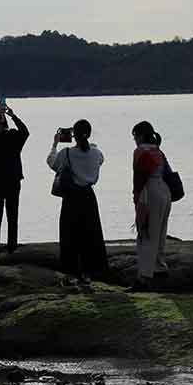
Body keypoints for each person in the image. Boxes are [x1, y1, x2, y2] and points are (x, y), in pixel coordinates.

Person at [47, 119, 108, 284]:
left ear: (73, 135)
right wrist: (93, 146)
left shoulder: (66, 153)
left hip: (71, 198)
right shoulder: (96, 153)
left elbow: (52, 163)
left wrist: (54, 145)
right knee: (90, 235)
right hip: (88, 197)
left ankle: (71, 274)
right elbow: (100, 159)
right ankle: (89, 273)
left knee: (70, 236)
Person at [130, 120, 172, 291]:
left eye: (134, 136)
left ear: (140, 135)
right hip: (164, 191)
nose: (134, 140)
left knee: (145, 234)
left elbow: (139, 177)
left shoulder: (139, 151)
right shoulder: (158, 150)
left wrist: (136, 199)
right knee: (160, 233)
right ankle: (159, 269)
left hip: (150, 192)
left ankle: (143, 278)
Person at [0, 103, 29, 256]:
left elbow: (25, 132)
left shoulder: (13, 134)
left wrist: (13, 115)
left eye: (0, 112)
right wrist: (0, 123)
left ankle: (12, 247)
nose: (0, 114)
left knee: (12, 215)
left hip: (13, 179)